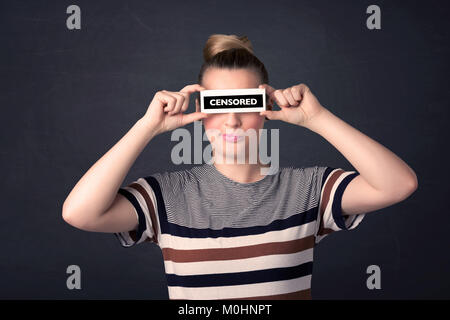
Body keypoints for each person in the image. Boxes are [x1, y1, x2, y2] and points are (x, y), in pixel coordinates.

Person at [62, 34, 418, 300]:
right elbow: (80, 214)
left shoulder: (309, 191)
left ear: (266, 112)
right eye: (218, 106)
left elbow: (398, 185)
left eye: (244, 105)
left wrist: (318, 119)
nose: (231, 121)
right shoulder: (166, 197)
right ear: (200, 116)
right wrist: (146, 127)